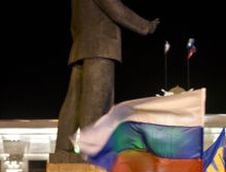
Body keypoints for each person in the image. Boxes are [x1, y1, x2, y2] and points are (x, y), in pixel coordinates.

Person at [54, 0, 160, 157]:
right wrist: (146, 26)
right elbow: (117, 11)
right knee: (96, 101)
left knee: (74, 101)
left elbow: (75, 24)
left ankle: (63, 149)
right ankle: (91, 151)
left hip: (82, 46)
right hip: (100, 47)